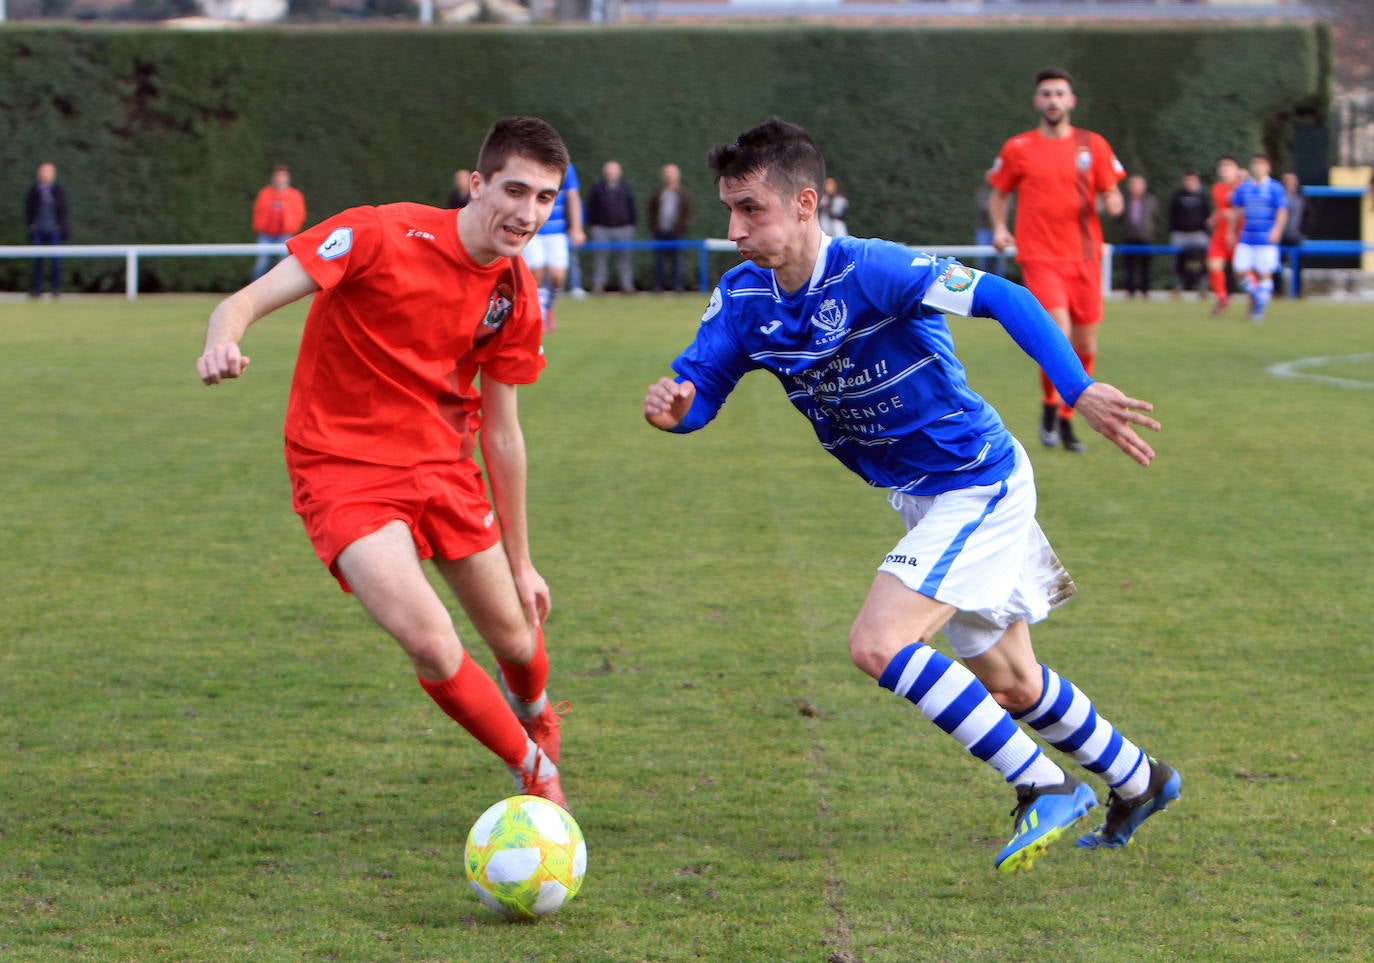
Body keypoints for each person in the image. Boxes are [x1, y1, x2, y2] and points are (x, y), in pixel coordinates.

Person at [644, 117, 1180, 875]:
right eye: (728, 209)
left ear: (804, 204)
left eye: (750, 209)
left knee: (878, 641)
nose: (733, 228)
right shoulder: (742, 300)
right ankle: (1140, 779)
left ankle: (1043, 783)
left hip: (976, 482)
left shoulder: (877, 269)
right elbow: (702, 388)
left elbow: (1006, 297)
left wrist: (1079, 387)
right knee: (1012, 678)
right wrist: (676, 410)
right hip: (921, 497)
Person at [196, 116, 570, 810]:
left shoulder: (515, 293)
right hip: (342, 469)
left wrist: (524, 561)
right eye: (514, 190)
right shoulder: (379, 234)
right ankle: (533, 769)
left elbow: (505, 434)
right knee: (430, 640)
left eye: (545, 197)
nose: (527, 212)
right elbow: (241, 302)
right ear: (477, 183)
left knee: (518, 637)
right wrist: (224, 341)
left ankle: (538, 711)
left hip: (444, 467)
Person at [988, 67, 1125, 455]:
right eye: (1046, 94)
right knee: (1058, 331)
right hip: (1040, 256)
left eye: (1059, 94)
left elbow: (1111, 190)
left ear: (1071, 101)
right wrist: (1000, 227)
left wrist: (1114, 201)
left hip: (1085, 257)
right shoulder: (1018, 148)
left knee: (1085, 342)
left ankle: (1062, 416)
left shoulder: (1093, 145)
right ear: (1037, 101)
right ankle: (1052, 408)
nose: (1053, 100)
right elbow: (998, 193)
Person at [522, 158, 583, 330]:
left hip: (557, 231)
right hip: (533, 229)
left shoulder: (566, 166)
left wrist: (577, 227)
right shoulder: (529, 164)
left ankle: (548, 307)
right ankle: (538, 315)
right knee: (536, 271)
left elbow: (573, 196)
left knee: (558, 276)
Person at [1227, 153, 1287, 322]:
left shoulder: (1275, 188)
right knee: (1239, 271)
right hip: (1246, 237)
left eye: (1261, 164)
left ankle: (1259, 309)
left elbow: (1282, 211)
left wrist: (1277, 230)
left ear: (1268, 167)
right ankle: (1256, 296)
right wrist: (1231, 232)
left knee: (1264, 272)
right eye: (1255, 164)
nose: (1258, 167)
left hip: (1266, 239)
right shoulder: (1244, 187)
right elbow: (1236, 211)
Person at [585, 159, 638, 294]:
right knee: (600, 258)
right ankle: (598, 285)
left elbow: (632, 207)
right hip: (601, 229)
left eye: (614, 170)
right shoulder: (597, 188)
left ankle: (627, 285)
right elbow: (591, 207)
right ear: (605, 172)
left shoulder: (626, 187)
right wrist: (592, 225)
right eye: (609, 170)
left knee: (625, 258)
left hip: (623, 228)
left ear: (619, 172)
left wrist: (631, 225)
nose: (611, 173)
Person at [250, 165, 307, 282]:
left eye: (282, 176)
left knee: (283, 264)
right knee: (261, 262)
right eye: (277, 176)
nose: (280, 179)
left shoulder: (295, 195)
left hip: (285, 235)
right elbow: (258, 212)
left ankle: (282, 288)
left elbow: (299, 215)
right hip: (266, 234)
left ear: (287, 178)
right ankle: (254, 288)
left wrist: (285, 213)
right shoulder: (265, 193)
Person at [1205, 155, 1244, 315]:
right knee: (1213, 264)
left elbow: (1244, 209)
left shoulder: (1242, 187)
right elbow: (1220, 207)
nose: (1224, 168)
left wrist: (1234, 216)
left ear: (1236, 169)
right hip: (1220, 234)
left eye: (1229, 165)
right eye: (1222, 166)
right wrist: (1214, 218)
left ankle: (1256, 299)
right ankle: (1222, 298)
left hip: (1238, 234)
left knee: (1243, 271)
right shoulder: (1217, 187)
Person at [25, 161, 68, 298]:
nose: (44, 174)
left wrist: (59, 225)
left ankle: (56, 290)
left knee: (56, 260)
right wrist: (31, 224)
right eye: (43, 171)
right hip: (38, 229)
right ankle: (37, 290)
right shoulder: (34, 190)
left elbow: (63, 209)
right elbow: (28, 208)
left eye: (48, 172)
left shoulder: (57, 190)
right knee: (37, 260)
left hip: (54, 229)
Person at [648, 163, 694, 292]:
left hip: (676, 233)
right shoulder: (658, 193)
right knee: (658, 262)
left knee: (677, 262)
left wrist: (682, 228)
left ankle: (677, 286)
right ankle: (658, 286)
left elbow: (688, 212)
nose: (669, 176)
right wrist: (653, 229)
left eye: (671, 173)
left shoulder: (684, 193)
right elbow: (651, 212)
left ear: (677, 176)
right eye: (667, 173)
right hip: (659, 232)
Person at [1166, 169, 1212, 295]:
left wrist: (1205, 230)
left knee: (1204, 260)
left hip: (1198, 234)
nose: (1189, 183)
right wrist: (1173, 230)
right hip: (1180, 234)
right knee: (1177, 261)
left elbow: (1208, 214)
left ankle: (1203, 286)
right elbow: (1171, 214)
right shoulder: (1177, 195)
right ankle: (1177, 286)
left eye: (1192, 180)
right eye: (1187, 180)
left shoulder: (1203, 196)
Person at [1117, 174, 1159, 298]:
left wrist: (1150, 230)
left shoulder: (1151, 200)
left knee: (1145, 265)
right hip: (1129, 236)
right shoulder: (1125, 200)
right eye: (1133, 184)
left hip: (1146, 237)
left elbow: (1156, 217)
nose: (1135, 187)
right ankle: (1130, 290)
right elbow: (1119, 217)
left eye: (1138, 184)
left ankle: (1145, 290)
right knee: (1129, 265)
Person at [1278, 171, 1309, 297]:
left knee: (1299, 265)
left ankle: (1298, 292)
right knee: (1275, 265)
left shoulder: (1302, 198)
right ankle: (1277, 292)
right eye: (1287, 179)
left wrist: (1304, 232)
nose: (1289, 182)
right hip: (1279, 236)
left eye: (1292, 179)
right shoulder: (1278, 197)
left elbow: (1309, 217)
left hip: (1296, 237)